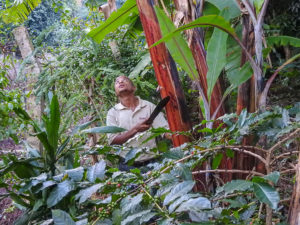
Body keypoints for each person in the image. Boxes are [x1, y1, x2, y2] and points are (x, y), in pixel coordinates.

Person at [106, 76, 170, 166]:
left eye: (124, 80)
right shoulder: (113, 112)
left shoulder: (149, 106)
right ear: (116, 92)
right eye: (117, 82)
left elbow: (165, 131)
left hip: (152, 162)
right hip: (127, 164)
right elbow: (113, 141)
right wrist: (135, 129)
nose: (120, 82)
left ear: (134, 88)